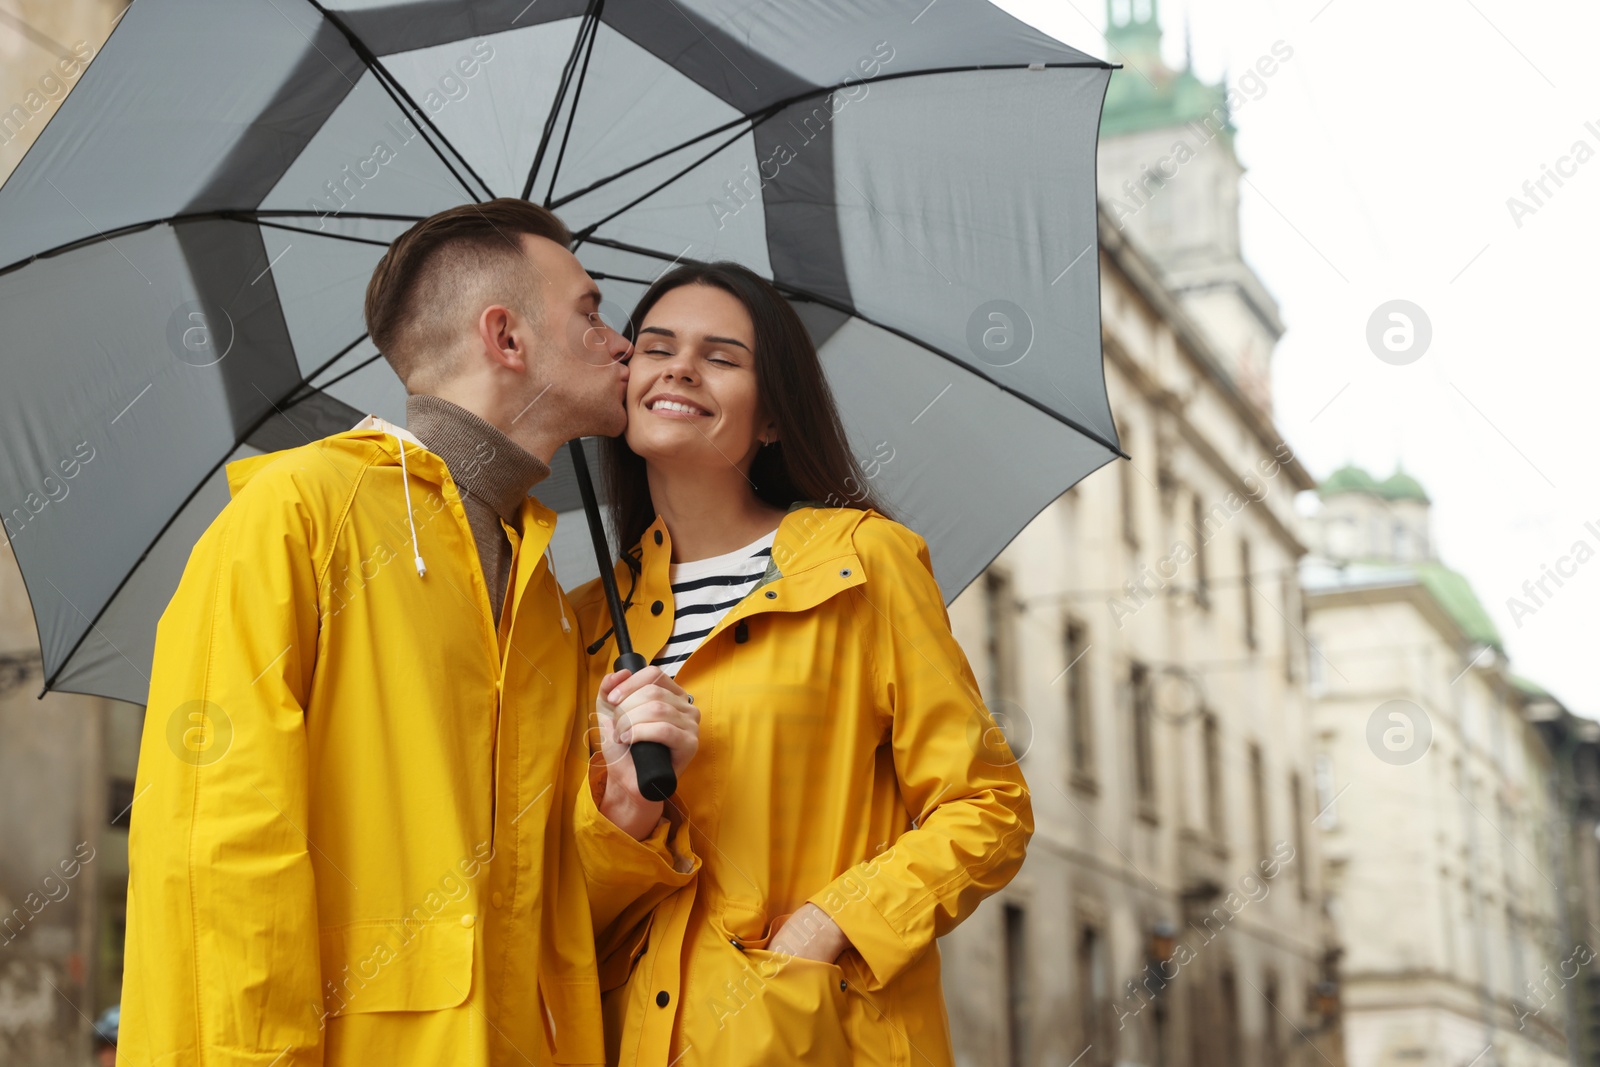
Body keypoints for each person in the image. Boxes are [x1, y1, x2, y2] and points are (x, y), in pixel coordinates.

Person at [120, 199, 700, 1067]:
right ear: (506, 339)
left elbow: (535, 906)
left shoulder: (541, 596)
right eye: (589, 311)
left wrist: (623, 811)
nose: (623, 343)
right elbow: (218, 856)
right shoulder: (297, 518)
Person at [571, 263, 1033, 1065]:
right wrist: (626, 814)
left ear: (774, 417)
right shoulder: (583, 620)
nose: (680, 366)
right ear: (625, 387)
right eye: (655, 347)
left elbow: (988, 806)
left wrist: (829, 925)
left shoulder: (864, 564)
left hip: (813, 1036)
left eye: (721, 356)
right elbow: (566, 911)